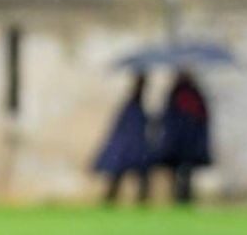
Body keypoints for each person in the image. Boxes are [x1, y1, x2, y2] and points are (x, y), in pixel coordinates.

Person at [90, 72, 153, 204]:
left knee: (134, 177)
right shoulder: (132, 105)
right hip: (129, 146)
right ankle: (113, 200)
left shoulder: (135, 104)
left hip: (131, 146)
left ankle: (138, 200)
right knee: (123, 176)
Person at [153, 69, 212, 204]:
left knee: (186, 173)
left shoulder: (192, 94)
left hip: (187, 141)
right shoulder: (176, 94)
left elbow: (202, 116)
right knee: (177, 172)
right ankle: (178, 197)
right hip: (177, 141)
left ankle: (184, 197)